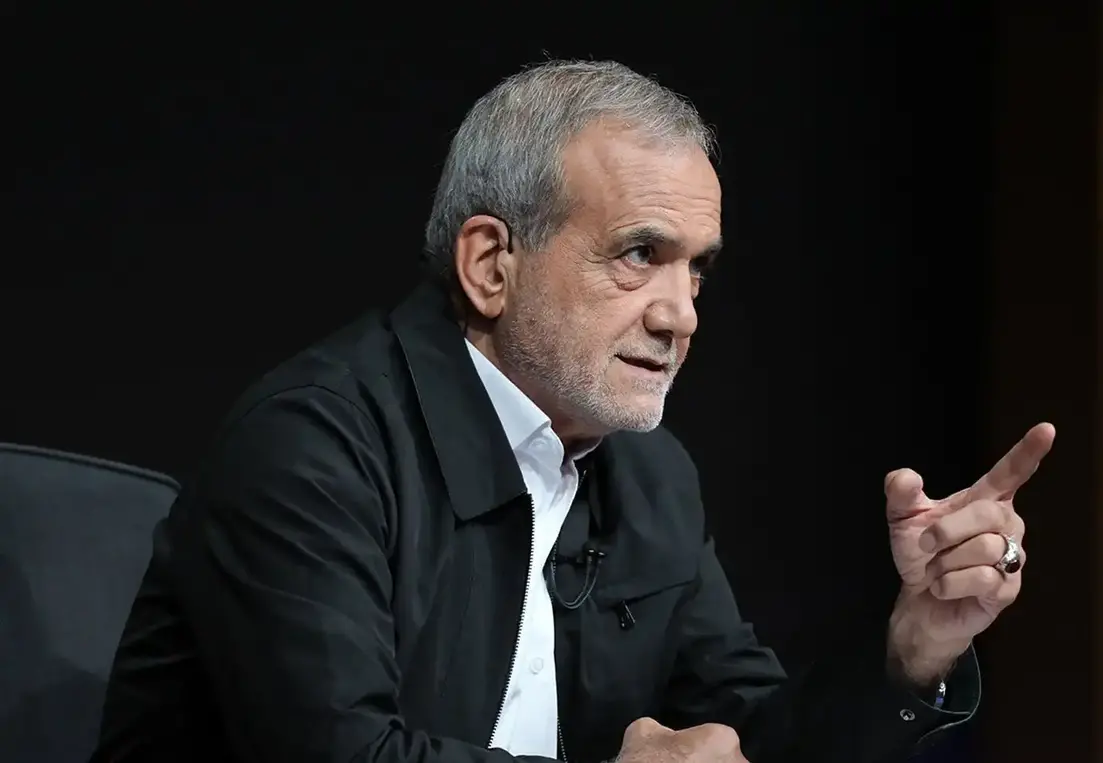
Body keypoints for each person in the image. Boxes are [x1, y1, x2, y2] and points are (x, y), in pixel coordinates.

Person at [92, 60, 1054, 763]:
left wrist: (912, 653)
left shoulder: (648, 474)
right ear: (491, 264)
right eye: (640, 254)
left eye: (697, 268)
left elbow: (744, 736)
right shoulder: (312, 447)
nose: (681, 314)